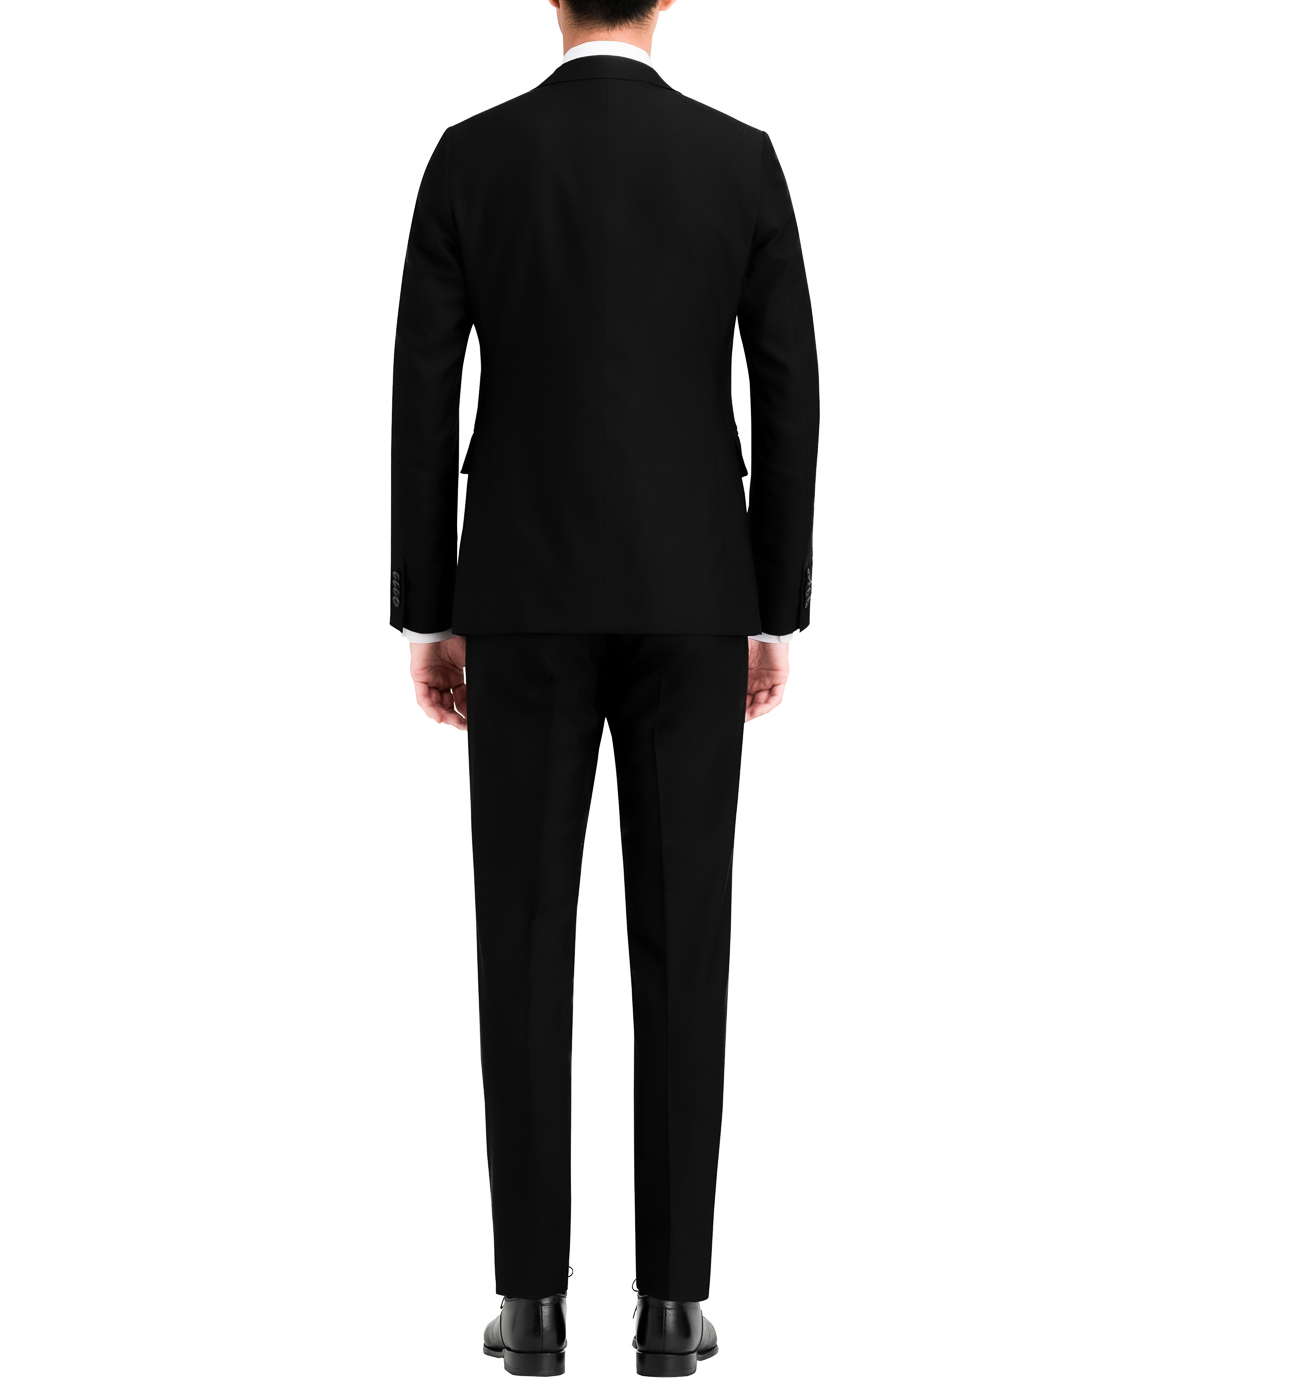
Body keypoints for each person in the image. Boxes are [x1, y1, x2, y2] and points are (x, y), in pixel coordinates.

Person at [390, 0, 818, 1377]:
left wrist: (430, 609)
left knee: (522, 937)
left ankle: (530, 1305)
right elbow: (790, 387)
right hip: (697, 592)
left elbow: (421, 390)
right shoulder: (739, 159)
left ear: (550, 0)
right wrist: (772, 602)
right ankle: (674, 1307)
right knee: (686, 936)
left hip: (520, 593)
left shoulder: (473, 157)